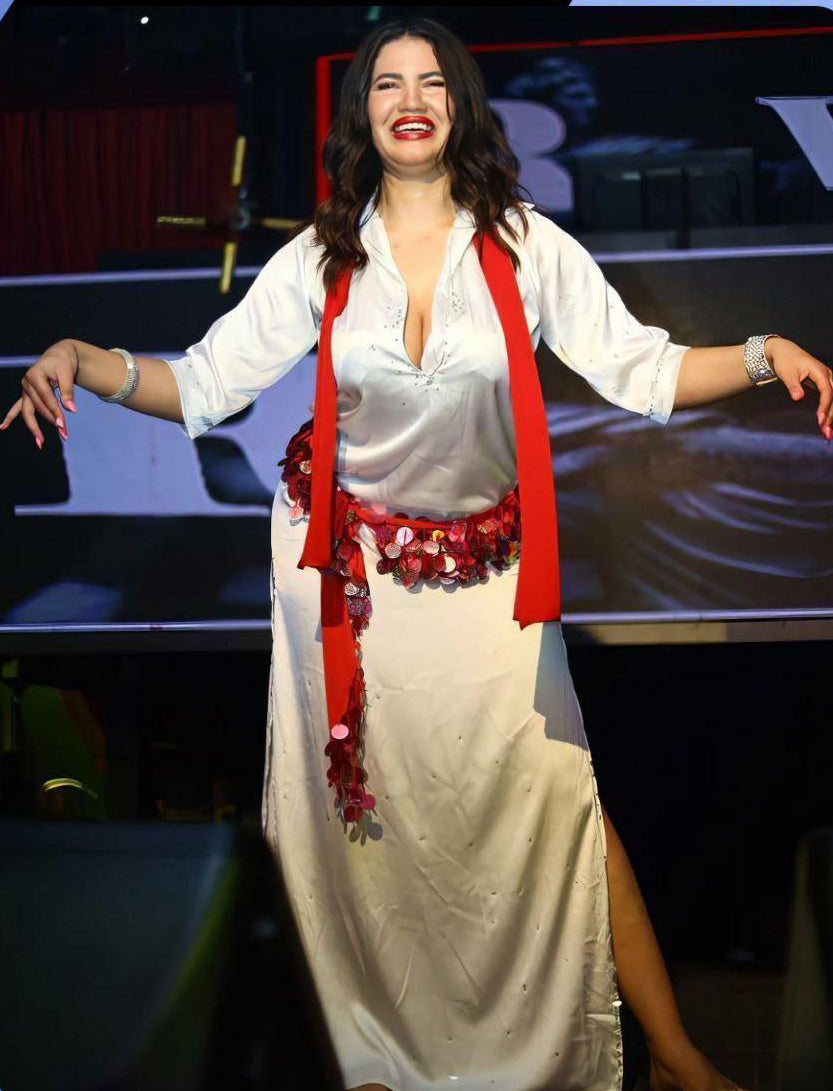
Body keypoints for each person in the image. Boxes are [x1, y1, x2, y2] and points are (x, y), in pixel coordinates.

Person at [3, 17, 832, 1091]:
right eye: (386, 82)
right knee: (362, 824)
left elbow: (645, 371)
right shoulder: (322, 254)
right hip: (347, 580)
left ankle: (675, 1057)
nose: (409, 98)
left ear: (458, 106)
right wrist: (81, 356)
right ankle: (371, 1055)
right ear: (362, 112)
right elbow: (202, 384)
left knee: (556, 799)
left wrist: (767, 352)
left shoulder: (527, 245)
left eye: (430, 81)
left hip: (487, 582)